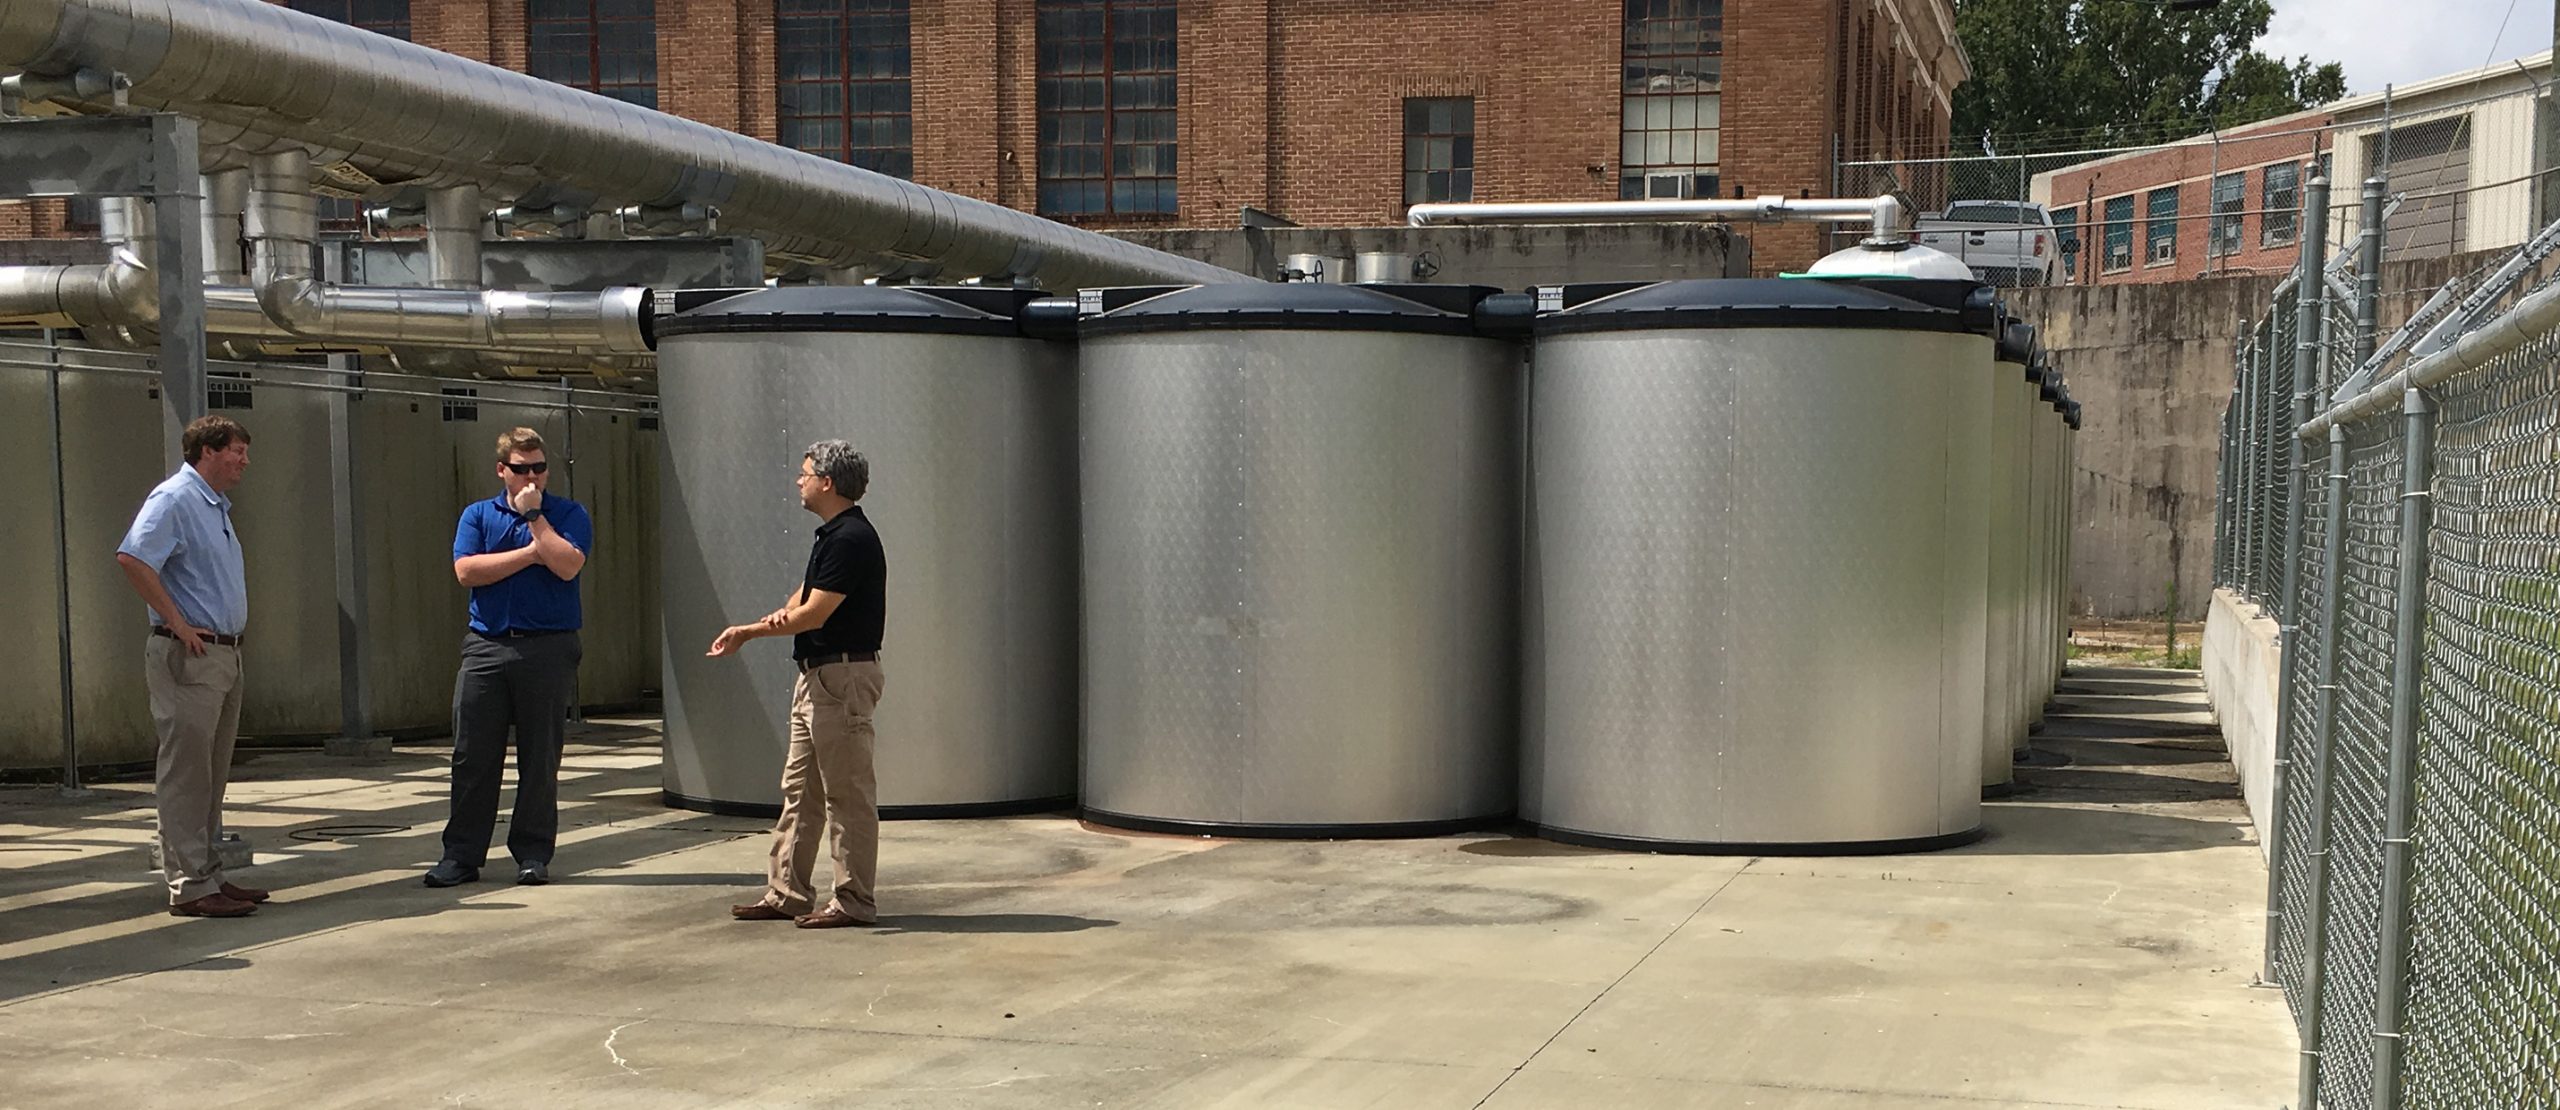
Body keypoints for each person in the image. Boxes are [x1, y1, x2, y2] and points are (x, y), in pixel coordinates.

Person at [708, 439, 887, 930]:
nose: (799, 480)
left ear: (828, 482)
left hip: (842, 677)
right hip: (818, 676)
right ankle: (788, 891)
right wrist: (778, 617)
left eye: (805, 473)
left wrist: (751, 631)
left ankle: (854, 900)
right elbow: (804, 597)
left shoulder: (851, 538)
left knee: (845, 793)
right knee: (801, 789)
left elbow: (814, 612)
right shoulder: (832, 536)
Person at [427, 427, 591, 888]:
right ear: (503, 470)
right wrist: (530, 553)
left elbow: (568, 563)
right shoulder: (478, 515)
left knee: (540, 758)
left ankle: (533, 853)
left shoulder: (568, 513)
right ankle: (461, 856)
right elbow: (467, 571)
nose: (532, 477)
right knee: (472, 755)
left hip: (548, 646)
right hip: (487, 645)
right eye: (522, 469)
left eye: (539, 468)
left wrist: (537, 519)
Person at [116, 414, 265, 919]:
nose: (245, 460)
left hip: (223, 654)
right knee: (186, 773)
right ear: (207, 451)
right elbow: (134, 558)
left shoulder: (214, 506)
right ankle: (190, 885)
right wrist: (178, 623)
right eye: (237, 451)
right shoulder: (175, 499)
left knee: (212, 771)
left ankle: (209, 873)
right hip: (191, 656)